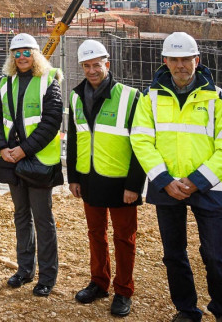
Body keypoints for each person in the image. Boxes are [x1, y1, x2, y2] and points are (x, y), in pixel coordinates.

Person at [131, 32, 222, 322]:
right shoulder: (149, 98)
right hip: (166, 186)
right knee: (173, 255)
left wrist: (195, 182)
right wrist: (165, 180)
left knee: (215, 255)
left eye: (186, 59)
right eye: (175, 59)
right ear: (165, 61)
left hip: (210, 187)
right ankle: (186, 310)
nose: (181, 65)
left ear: (197, 60)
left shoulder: (220, 99)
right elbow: (141, 141)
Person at [66, 40, 144, 317]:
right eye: (86, 66)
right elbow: (74, 138)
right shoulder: (76, 96)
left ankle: (124, 290)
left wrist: (134, 185)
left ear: (107, 64)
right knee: (95, 235)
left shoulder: (130, 96)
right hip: (89, 179)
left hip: (121, 182)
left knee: (125, 238)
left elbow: (142, 144)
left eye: (96, 65)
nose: (91, 70)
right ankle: (99, 283)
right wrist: (73, 177)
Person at [0, 33, 63, 297]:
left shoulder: (48, 81)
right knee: (21, 216)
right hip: (13, 161)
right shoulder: (4, 83)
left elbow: (52, 121)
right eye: (16, 53)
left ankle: (47, 277)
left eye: (26, 52)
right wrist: (2, 148)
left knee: (43, 219)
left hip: (38, 161)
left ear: (36, 54)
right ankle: (25, 269)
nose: (21, 57)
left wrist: (24, 150)